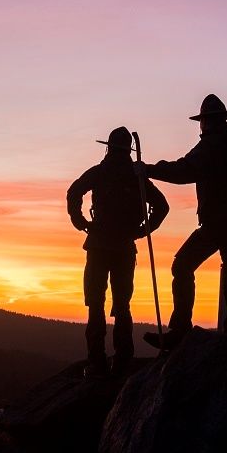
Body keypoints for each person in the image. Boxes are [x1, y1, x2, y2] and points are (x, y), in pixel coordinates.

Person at [138, 94, 227, 349]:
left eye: (202, 121)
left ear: (206, 122)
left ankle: (180, 329)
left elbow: (183, 170)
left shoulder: (213, 145)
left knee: (182, 265)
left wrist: (148, 170)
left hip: (218, 222)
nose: (201, 126)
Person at [67, 126, 169, 377]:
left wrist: (80, 222)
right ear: (128, 150)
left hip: (99, 245)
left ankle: (97, 362)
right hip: (125, 247)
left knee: (95, 304)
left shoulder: (100, 172)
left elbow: (74, 192)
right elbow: (162, 206)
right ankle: (122, 360)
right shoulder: (137, 177)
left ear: (109, 147)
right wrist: (145, 229)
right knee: (122, 305)